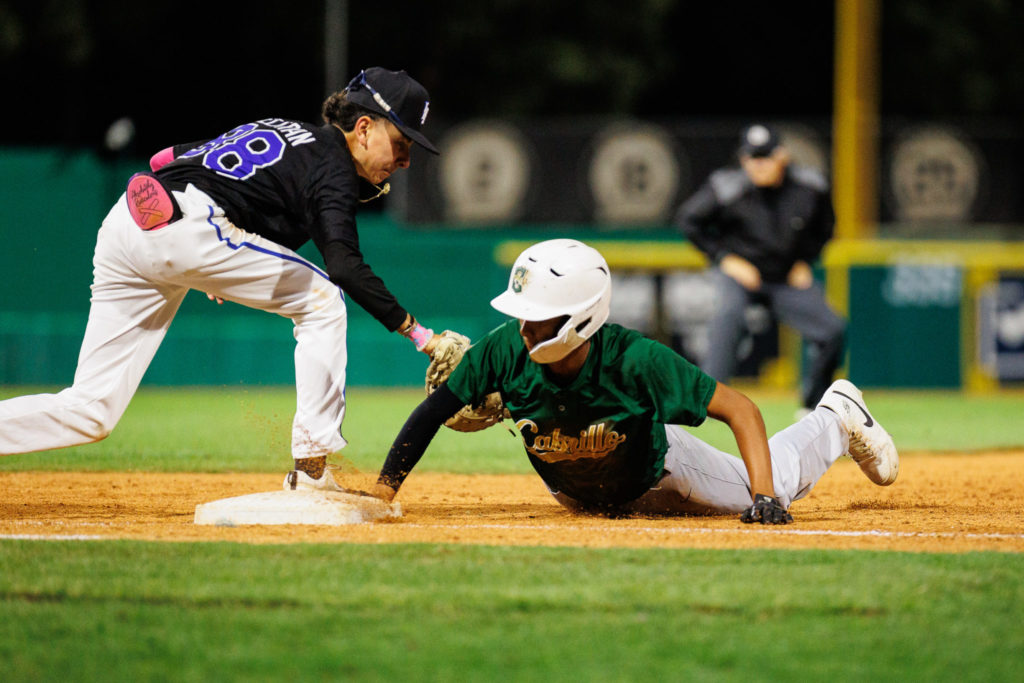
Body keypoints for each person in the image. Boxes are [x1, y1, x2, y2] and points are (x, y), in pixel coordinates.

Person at [0, 67, 444, 491]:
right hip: (189, 227)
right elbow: (344, 267)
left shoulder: (281, 129)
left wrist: (219, 263)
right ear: (363, 128)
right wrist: (420, 335)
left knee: (91, 410)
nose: (405, 160)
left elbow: (165, 157)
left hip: (130, 224)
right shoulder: (333, 167)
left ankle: (182, 232)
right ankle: (310, 475)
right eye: (402, 142)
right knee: (323, 299)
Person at [367, 239, 898, 524]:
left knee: (776, 485)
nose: (526, 327)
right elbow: (433, 411)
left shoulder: (635, 360)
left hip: (662, 472)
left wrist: (763, 499)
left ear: (581, 316)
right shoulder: (506, 348)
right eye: (522, 314)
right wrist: (383, 492)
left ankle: (837, 413)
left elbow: (741, 409)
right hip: (584, 495)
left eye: (538, 317)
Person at [675, 123, 845, 412]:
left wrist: (806, 260)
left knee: (833, 329)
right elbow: (688, 221)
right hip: (741, 274)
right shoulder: (728, 186)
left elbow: (826, 227)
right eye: (753, 157)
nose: (759, 164)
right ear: (743, 159)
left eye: (766, 156)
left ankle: (813, 404)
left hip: (785, 278)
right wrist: (725, 259)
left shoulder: (810, 186)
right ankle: (705, 403)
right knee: (728, 316)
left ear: (783, 156)